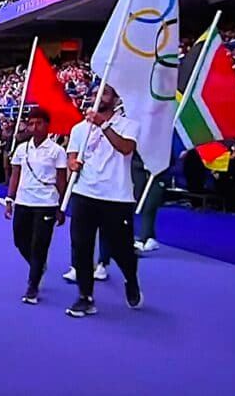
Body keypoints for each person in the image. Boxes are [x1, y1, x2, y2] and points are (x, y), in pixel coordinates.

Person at [65, 85, 143, 317]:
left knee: (121, 250)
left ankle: (131, 279)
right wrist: (72, 165)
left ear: (115, 98)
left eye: (105, 93)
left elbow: (126, 148)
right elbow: (72, 155)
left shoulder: (129, 125)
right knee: (81, 246)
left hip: (116, 197)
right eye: (94, 93)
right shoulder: (79, 129)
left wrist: (103, 124)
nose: (97, 97)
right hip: (85, 194)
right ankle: (85, 296)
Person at [4, 107, 67, 304]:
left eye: (39, 123)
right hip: (23, 201)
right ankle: (37, 266)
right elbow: (15, 174)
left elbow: (61, 179)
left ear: (47, 125)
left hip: (46, 203)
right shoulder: (22, 149)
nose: (34, 126)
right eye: (31, 123)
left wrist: (61, 207)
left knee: (40, 244)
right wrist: (9, 199)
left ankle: (33, 284)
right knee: (20, 240)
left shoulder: (57, 151)